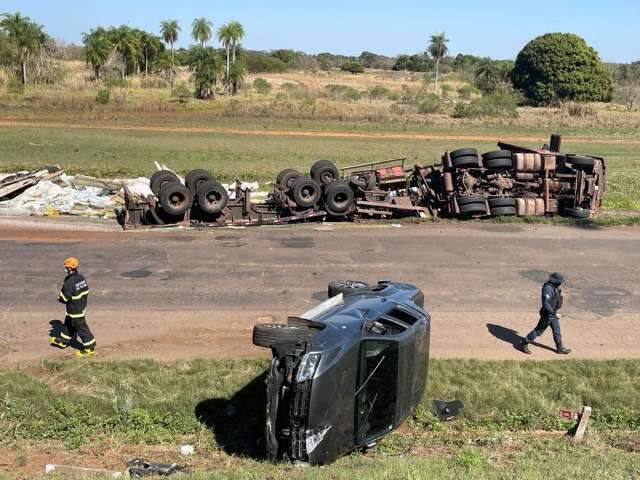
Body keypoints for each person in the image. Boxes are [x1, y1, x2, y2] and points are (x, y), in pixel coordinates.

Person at [50, 257, 96, 357]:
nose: (65, 268)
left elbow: (64, 298)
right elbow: (85, 291)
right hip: (81, 305)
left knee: (81, 327)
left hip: (75, 309)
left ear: (69, 268)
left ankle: (89, 348)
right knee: (68, 324)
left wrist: (60, 298)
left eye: (66, 267)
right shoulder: (81, 278)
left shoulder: (69, 282)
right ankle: (63, 341)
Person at [519, 272, 571, 355]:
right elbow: (546, 304)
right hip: (547, 314)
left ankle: (560, 348)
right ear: (554, 281)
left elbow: (554, 301)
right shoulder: (547, 288)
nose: (560, 283)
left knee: (557, 331)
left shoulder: (554, 287)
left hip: (552, 314)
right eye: (559, 281)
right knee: (538, 331)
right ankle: (523, 343)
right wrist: (554, 313)